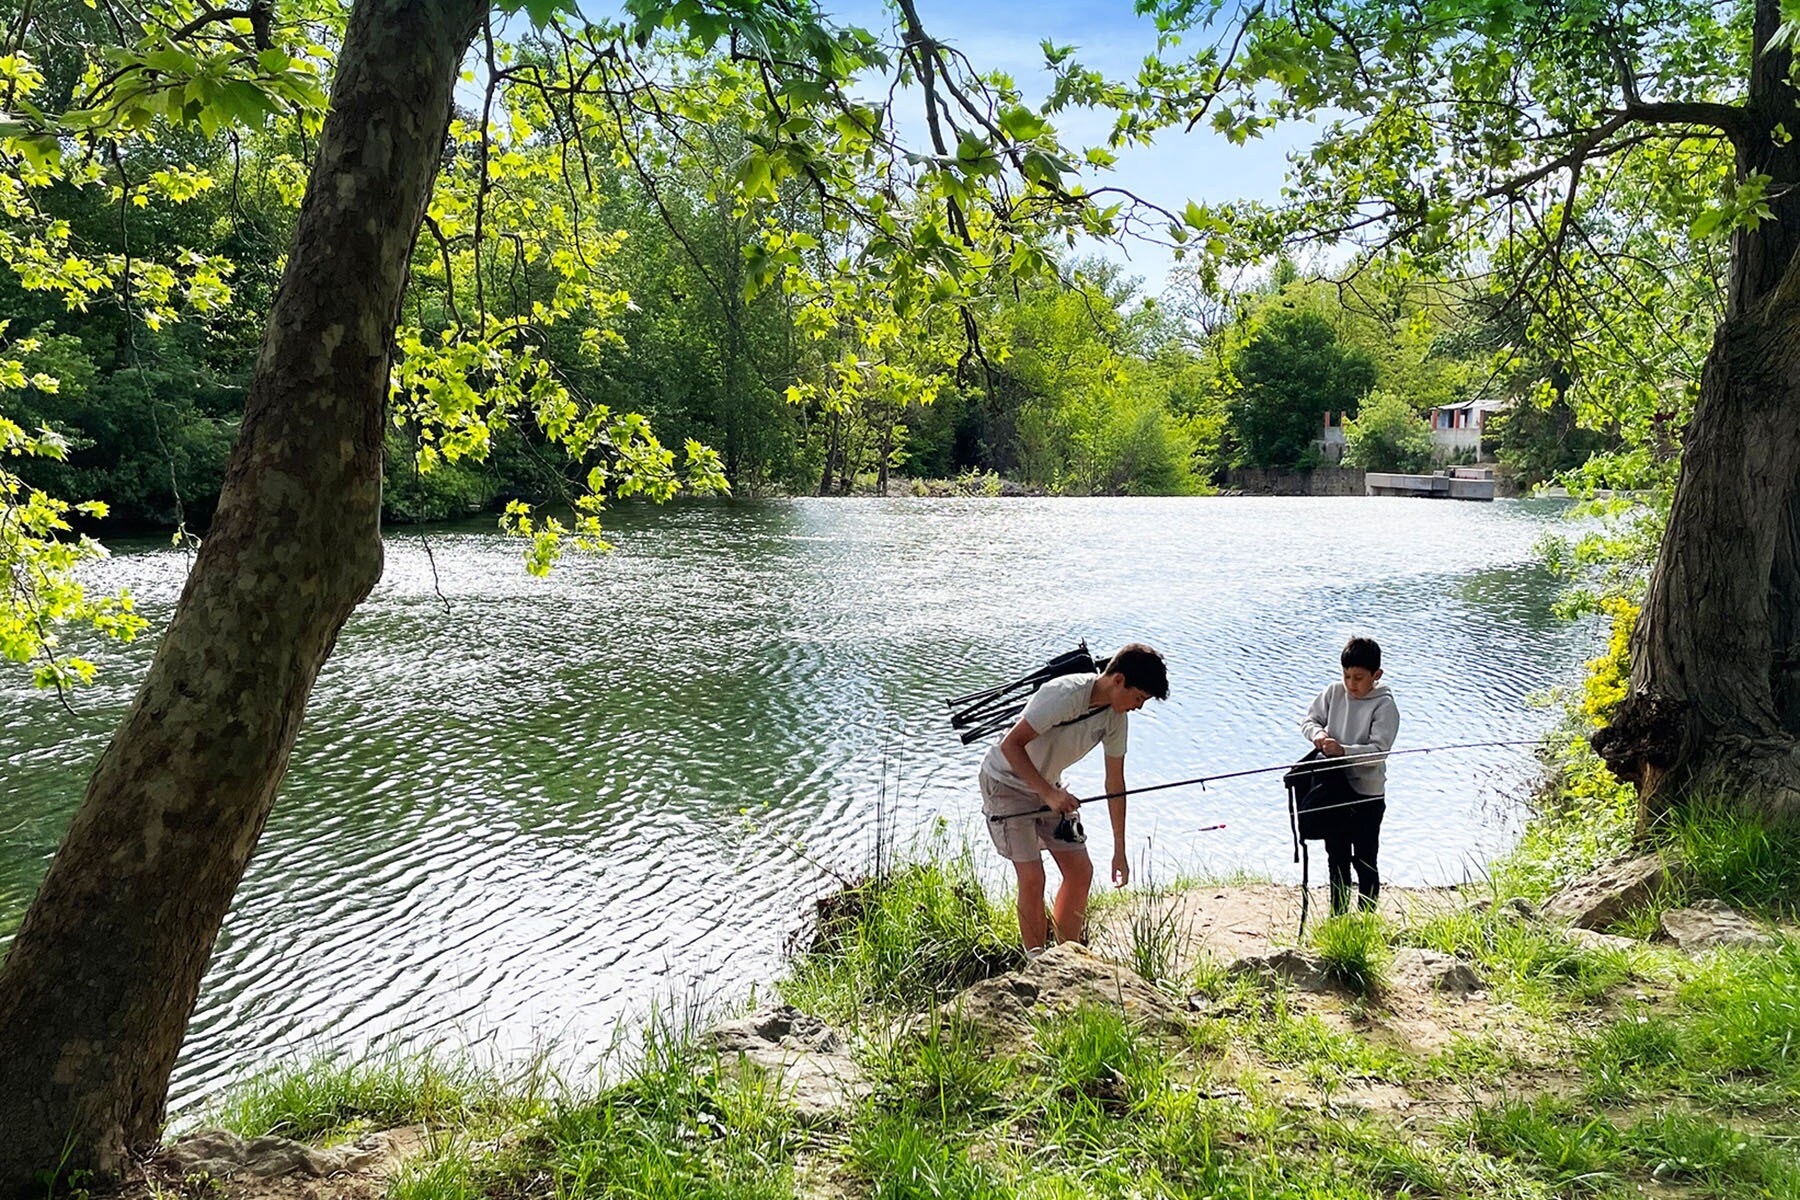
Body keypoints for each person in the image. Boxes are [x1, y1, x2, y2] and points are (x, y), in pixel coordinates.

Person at [979, 643, 1169, 957]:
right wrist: (1049, 794)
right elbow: (1012, 745)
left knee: (1080, 872)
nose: (1139, 707)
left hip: (1048, 785)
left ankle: (1067, 956)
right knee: (1032, 876)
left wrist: (1119, 849)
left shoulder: (1115, 717)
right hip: (1005, 782)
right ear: (1118, 680)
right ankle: (1037, 961)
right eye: (1139, 698)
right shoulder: (1064, 694)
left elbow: (1115, 783)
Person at [1299, 635, 1400, 915]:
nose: (1351, 684)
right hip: (1333, 789)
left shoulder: (1385, 706)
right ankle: (1339, 917)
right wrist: (1318, 736)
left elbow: (1378, 752)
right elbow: (1309, 720)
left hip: (1368, 795)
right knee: (1337, 856)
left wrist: (1343, 751)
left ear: (1376, 676)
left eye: (1358, 677)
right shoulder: (1334, 693)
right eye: (1346, 676)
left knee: (1365, 859)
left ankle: (1366, 917)